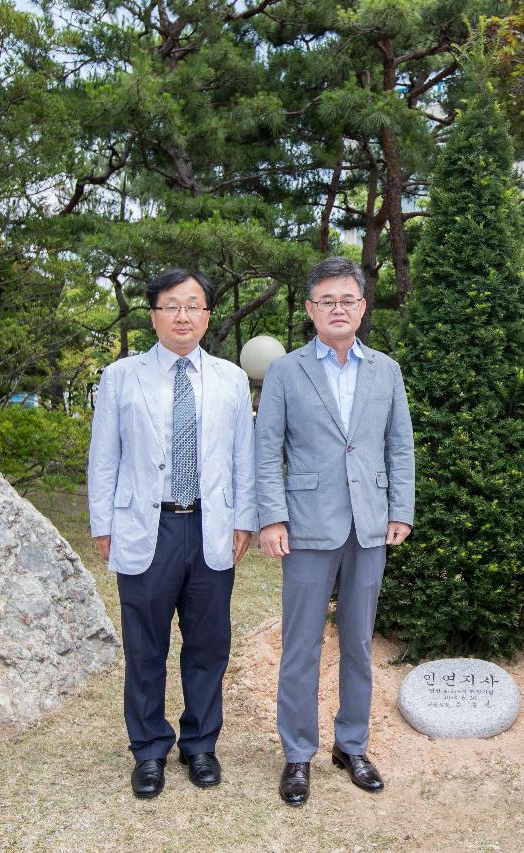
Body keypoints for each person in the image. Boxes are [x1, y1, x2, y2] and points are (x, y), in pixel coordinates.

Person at [87, 268, 257, 800]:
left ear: (207, 315)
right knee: (145, 646)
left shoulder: (230, 378)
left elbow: (243, 458)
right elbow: (104, 456)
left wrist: (243, 519)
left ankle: (200, 744)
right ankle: (149, 749)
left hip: (209, 525)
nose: (183, 315)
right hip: (146, 525)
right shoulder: (121, 377)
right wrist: (103, 523)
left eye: (194, 305)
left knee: (208, 644)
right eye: (171, 305)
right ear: (154, 314)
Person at [254, 256, 415, 808]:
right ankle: (298, 753)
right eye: (327, 300)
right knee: (300, 645)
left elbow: (399, 447)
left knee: (358, 643)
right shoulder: (285, 371)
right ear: (309, 310)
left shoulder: (386, 371)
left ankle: (353, 745)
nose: (338, 308)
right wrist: (271, 518)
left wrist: (401, 510)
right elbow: (265, 449)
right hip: (304, 528)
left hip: (369, 525)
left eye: (348, 299)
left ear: (363, 307)